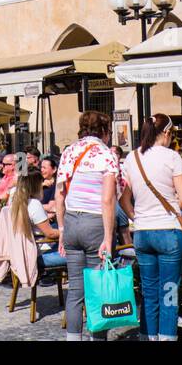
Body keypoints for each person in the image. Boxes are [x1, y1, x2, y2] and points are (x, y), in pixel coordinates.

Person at [120, 114, 182, 341]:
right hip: (168, 231)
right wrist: (168, 210)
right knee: (169, 292)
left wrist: (137, 216)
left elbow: (124, 199)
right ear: (167, 133)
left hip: (142, 232)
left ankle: (146, 337)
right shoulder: (172, 157)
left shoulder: (132, 157)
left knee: (148, 293)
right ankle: (167, 337)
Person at [55, 111, 119, 342]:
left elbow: (59, 194)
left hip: (71, 221)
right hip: (94, 223)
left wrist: (61, 230)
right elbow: (107, 200)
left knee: (75, 292)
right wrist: (109, 238)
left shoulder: (68, 152)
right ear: (104, 131)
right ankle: (97, 339)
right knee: (97, 291)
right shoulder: (107, 154)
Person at [11, 170, 63, 268]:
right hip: (38, 253)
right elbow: (50, 234)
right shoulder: (34, 204)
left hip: (18, 252)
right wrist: (67, 232)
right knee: (78, 253)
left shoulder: (13, 202)